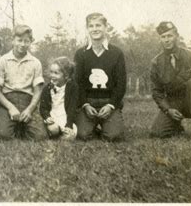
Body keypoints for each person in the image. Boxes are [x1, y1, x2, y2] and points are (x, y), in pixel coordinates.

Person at [149, 21, 191, 142]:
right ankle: (176, 126)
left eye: (170, 36)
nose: (167, 40)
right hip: (173, 103)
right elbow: (157, 92)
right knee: (157, 132)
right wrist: (168, 109)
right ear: (160, 39)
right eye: (163, 37)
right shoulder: (156, 62)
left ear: (176, 36)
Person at [74, 12, 127, 141]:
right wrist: (85, 104)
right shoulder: (81, 53)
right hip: (89, 103)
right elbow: (78, 83)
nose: (95, 29)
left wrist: (111, 105)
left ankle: (108, 125)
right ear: (87, 29)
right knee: (82, 135)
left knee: (113, 136)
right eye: (91, 26)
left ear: (105, 27)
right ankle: (93, 126)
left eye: (98, 25)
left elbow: (121, 84)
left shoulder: (116, 53)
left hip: (108, 102)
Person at [0, 24, 47, 140]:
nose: (22, 44)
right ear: (13, 40)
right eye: (19, 40)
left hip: (27, 101)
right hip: (7, 101)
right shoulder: (2, 61)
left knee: (40, 136)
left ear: (30, 42)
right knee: (3, 135)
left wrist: (30, 110)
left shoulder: (35, 62)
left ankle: (21, 126)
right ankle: (16, 126)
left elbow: (38, 91)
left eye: (26, 41)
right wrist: (10, 107)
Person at [40, 57, 79, 140]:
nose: (52, 76)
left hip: (65, 117)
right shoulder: (47, 88)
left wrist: (69, 125)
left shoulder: (73, 87)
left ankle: (61, 135)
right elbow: (43, 107)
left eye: (56, 73)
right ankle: (55, 133)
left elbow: (72, 108)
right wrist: (47, 117)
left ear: (66, 76)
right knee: (53, 130)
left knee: (70, 136)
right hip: (53, 116)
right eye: (51, 72)